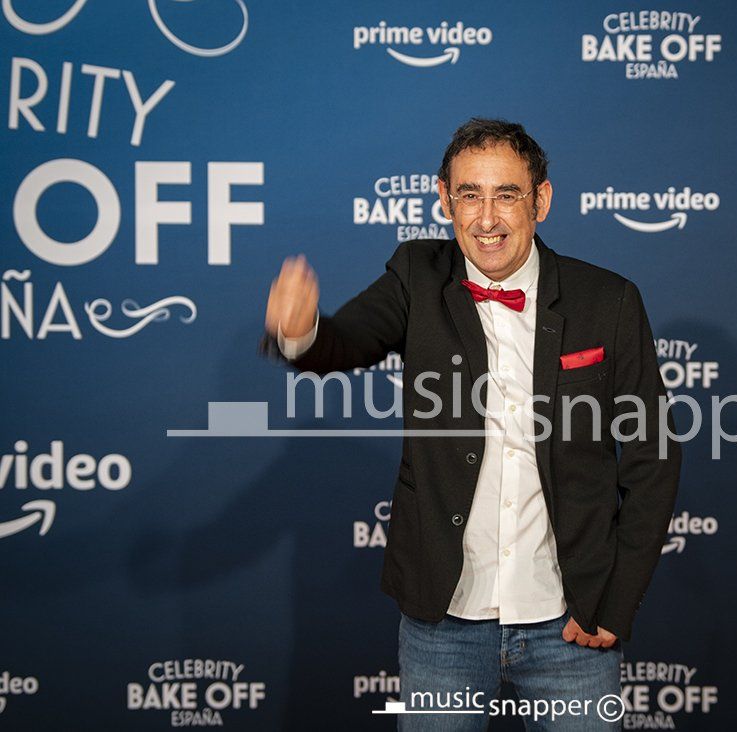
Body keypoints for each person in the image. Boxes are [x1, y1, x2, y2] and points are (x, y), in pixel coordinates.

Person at [263, 118, 681, 729]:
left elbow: (653, 457)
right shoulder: (417, 276)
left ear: (541, 200)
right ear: (445, 199)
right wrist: (302, 332)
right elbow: (347, 341)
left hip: (570, 621)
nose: (487, 219)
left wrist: (616, 603)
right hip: (444, 622)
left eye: (506, 194)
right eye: (469, 195)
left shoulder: (608, 300)